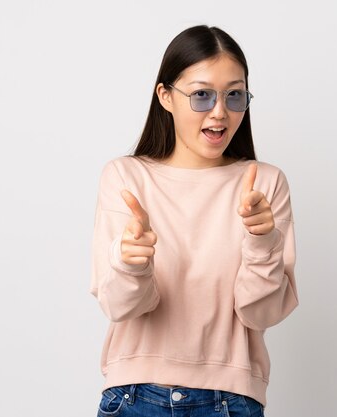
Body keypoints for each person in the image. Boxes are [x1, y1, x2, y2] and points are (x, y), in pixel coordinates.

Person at [90, 24, 298, 417]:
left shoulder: (264, 184)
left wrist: (262, 240)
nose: (220, 112)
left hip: (231, 401)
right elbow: (120, 306)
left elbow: (261, 313)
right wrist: (131, 263)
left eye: (234, 95)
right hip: (135, 399)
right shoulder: (126, 178)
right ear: (165, 96)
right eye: (202, 95)